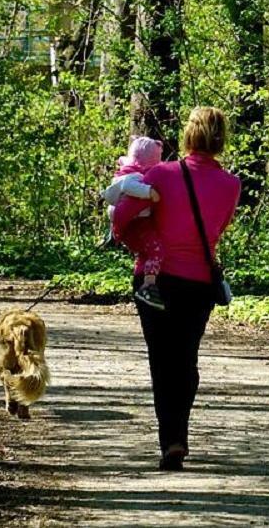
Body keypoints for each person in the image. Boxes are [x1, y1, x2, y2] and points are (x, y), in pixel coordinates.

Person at [112, 107, 241, 471]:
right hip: (199, 282)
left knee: (162, 359)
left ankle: (172, 439)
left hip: (157, 280)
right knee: (186, 358)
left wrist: (137, 241)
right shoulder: (232, 185)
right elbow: (217, 230)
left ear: (188, 136)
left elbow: (120, 217)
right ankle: (178, 434)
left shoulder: (161, 175)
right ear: (221, 140)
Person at [101, 136, 165, 309]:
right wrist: (149, 192)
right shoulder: (133, 177)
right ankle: (149, 285)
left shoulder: (126, 173)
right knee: (156, 250)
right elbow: (130, 187)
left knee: (144, 252)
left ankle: (143, 278)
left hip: (130, 223)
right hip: (137, 224)